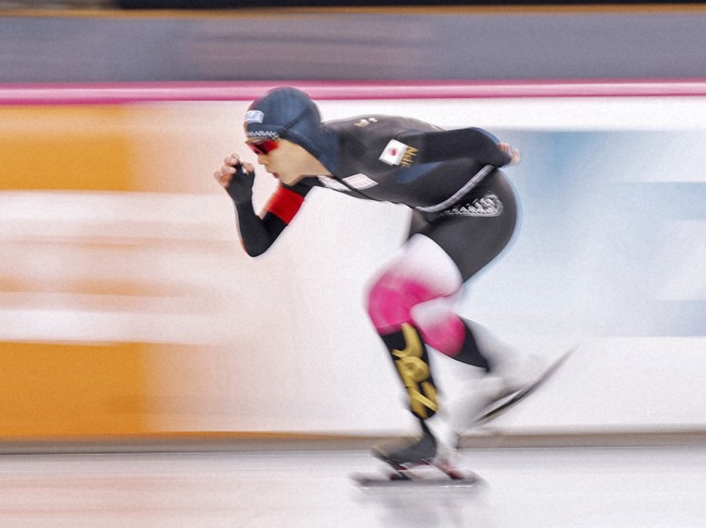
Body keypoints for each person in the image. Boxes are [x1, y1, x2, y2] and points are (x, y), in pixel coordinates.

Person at [213, 87, 541, 474]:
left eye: (265, 148)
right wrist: (241, 200)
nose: (260, 158)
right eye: (252, 150)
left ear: (297, 137)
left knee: (388, 299)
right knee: (427, 320)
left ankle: (432, 434)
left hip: (483, 206)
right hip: (435, 214)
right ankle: (505, 369)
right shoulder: (305, 176)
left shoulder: (375, 149)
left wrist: (501, 154)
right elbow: (260, 243)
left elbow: (471, 140)